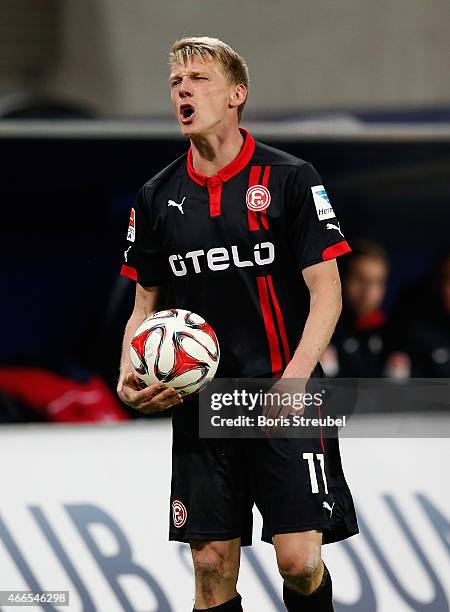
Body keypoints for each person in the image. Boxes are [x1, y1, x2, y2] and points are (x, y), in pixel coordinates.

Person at [117, 37, 358, 612]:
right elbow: (143, 307)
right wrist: (128, 372)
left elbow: (327, 293)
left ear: (236, 95)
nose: (182, 88)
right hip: (202, 404)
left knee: (299, 563)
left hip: (284, 391)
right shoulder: (156, 196)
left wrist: (298, 379)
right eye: (176, 81)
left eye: (198, 78)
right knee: (209, 565)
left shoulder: (290, 178)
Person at [321, 239, 399, 377]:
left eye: (377, 282)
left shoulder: (395, 335)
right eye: (360, 279)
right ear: (342, 278)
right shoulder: (320, 330)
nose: (368, 291)